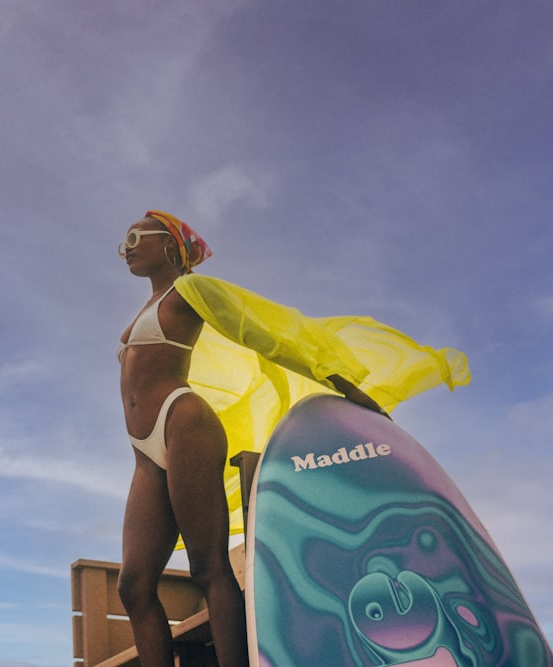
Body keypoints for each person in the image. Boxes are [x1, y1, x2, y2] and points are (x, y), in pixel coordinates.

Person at [114, 211, 469, 667]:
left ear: (170, 246)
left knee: (208, 567)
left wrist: (349, 388)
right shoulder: (146, 308)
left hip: (181, 421)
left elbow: (266, 332)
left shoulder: (191, 290)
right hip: (144, 452)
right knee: (134, 586)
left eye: (134, 237)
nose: (126, 248)